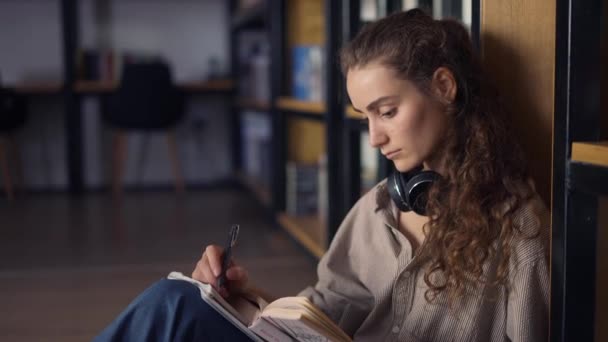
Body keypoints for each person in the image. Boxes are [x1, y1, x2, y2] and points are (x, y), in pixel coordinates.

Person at [94, 9, 549, 342]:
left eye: (387, 111)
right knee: (177, 304)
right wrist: (243, 299)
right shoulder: (378, 208)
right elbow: (326, 312)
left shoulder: (520, 233)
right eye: (365, 118)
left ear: (444, 88)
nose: (375, 138)